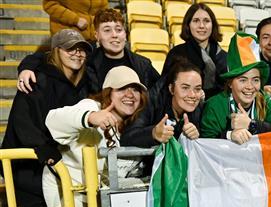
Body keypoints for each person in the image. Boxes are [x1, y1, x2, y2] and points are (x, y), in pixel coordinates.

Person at [0, 29, 92, 207]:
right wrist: (46, 151)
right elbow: (22, 119)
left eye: (81, 48)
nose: (77, 53)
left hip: (57, 159)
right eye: (69, 48)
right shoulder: (37, 78)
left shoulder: (82, 80)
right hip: (28, 159)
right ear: (56, 52)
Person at [43, 66, 148, 207]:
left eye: (135, 89)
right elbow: (53, 119)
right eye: (122, 89)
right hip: (66, 187)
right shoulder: (91, 105)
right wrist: (90, 117)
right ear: (109, 92)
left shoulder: (124, 125)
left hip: (93, 192)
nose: (130, 95)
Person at [17, 8, 160, 95]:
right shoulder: (85, 59)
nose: (114, 35)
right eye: (107, 30)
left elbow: (160, 91)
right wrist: (26, 68)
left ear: (125, 34)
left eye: (118, 30)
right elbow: (46, 57)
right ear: (97, 36)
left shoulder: (143, 64)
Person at [200, 32, 271, 144]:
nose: (250, 87)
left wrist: (252, 124)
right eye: (243, 80)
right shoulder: (214, 105)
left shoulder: (263, 100)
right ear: (230, 83)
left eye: (255, 79)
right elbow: (204, 146)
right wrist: (229, 135)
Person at [122, 62, 203, 147]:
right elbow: (127, 138)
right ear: (171, 89)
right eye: (185, 88)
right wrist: (153, 133)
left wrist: (196, 137)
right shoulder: (152, 102)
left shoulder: (199, 108)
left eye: (197, 89)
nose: (192, 95)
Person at [162, 3, 227, 99]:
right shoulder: (176, 54)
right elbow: (165, 88)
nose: (201, 26)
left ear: (213, 25)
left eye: (206, 21)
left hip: (216, 110)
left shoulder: (224, 57)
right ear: (188, 25)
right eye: (196, 21)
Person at [43, 0, 107, 42]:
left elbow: (103, 11)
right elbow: (49, 4)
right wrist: (75, 20)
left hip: (93, 39)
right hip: (68, 38)